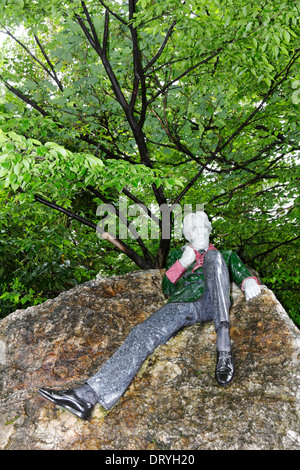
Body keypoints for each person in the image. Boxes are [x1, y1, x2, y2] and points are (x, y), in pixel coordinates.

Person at [38, 211, 260, 420]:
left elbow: (239, 270)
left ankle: (224, 348)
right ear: (187, 235)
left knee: (213, 258)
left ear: (209, 228)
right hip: (182, 304)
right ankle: (86, 397)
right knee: (142, 332)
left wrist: (248, 280)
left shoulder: (225, 255)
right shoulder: (177, 255)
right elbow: (167, 289)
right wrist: (183, 262)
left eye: (202, 226)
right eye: (192, 229)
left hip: (213, 301)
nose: (198, 231)